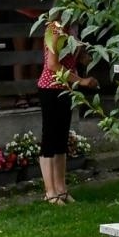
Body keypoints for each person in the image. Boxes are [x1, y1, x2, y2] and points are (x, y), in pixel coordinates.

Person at [38, 19, 96, 204]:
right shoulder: (54, 29)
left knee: (61, 140)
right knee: (50, 139)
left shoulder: (72, 29)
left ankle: (61, 189)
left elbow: (70, 57)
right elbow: (52, 64)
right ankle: (50, 192)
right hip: (50, 88)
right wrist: (81, 80)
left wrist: (84, 56)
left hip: (66, 89)